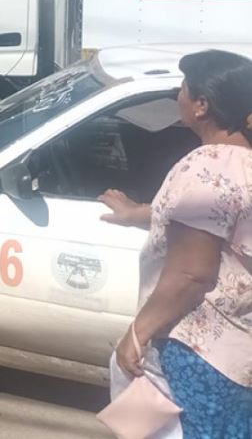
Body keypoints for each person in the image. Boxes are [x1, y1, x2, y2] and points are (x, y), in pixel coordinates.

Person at [100, 50, 252, 438]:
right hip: (239, 351)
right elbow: (213, 222)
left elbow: (191, 273)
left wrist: (136, 334)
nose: (178, 96)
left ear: (202, 105)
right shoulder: (242, 163)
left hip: (200, 351)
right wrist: (138, 214)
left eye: (183, 88)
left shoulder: (204, 168)